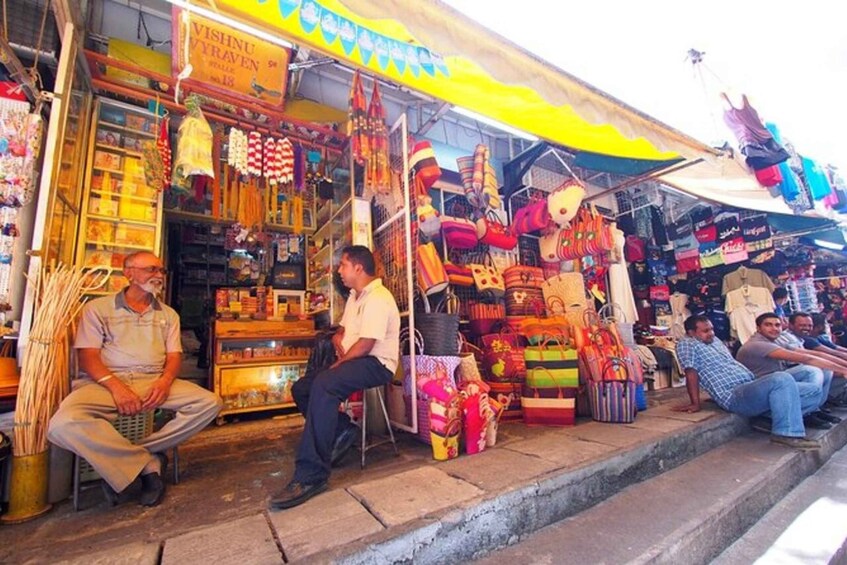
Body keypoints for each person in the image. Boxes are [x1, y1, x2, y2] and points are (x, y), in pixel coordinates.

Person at [48, 252, 222, 507]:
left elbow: (174, 357)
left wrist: (164, 382)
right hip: (105, 383)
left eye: (161, 271)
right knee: (61, 424)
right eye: (151, 269)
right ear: (128, 273)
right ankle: (147, 465)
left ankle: (136, 456)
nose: (158, 276)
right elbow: (88, 357)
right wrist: (116, 387)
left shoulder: (168, 314)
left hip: (152, 380)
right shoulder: (98, 309)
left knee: (210, 403)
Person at [270, 245, 400, 510]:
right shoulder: (355, 296)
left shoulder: (378, 297)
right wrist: (339, 336)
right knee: (302, 388)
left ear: (358, 268)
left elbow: (365, 344)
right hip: (357, 359)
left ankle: (311, 475)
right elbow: (344, 328)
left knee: (325, 384)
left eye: (343, 265)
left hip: (376, 363)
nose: (339, 270)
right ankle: (341, 429)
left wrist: (339, 363)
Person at [673, 315, 821, 450]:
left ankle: (768, 419)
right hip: (734, 395)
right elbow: (691, 372)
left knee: (813, 390)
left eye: (711, 329)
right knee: (781, 379)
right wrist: (695, 403)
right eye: (705, 331)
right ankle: (786, 433)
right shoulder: (688, 343)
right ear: (692, 333)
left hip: (750, 385)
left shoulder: (715, 341)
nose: (711, 333)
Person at [736, 313, 842, 429]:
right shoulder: (756, 344)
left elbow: (812, 354)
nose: (774, 328)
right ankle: (782, 415)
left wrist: (843, 367)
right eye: (768, 325)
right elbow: (807, 358)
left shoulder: (776, 340)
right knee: (811, 371)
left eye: (777, 325)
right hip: (764, 389)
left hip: (779, 380)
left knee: (825, 370)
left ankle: (811, 411)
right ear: (758, 328)